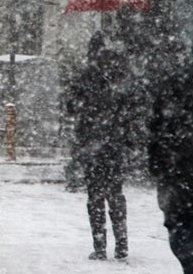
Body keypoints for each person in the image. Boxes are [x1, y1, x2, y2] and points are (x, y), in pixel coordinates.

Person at [67, 30, 132, 261]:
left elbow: (71, 107)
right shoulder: (119, 75)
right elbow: (129, 109)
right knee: (116, 194)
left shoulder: (84, 75)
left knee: (95, 196)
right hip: (113, 143)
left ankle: (100, 246)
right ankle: (122, 244)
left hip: (91, 143)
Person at [150, 53, 193, 273]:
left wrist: (158, 165)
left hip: (176, 171)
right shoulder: (173, 85)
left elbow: (156, 129)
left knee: (180, 226)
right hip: (177, 169)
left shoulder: (172, 84)